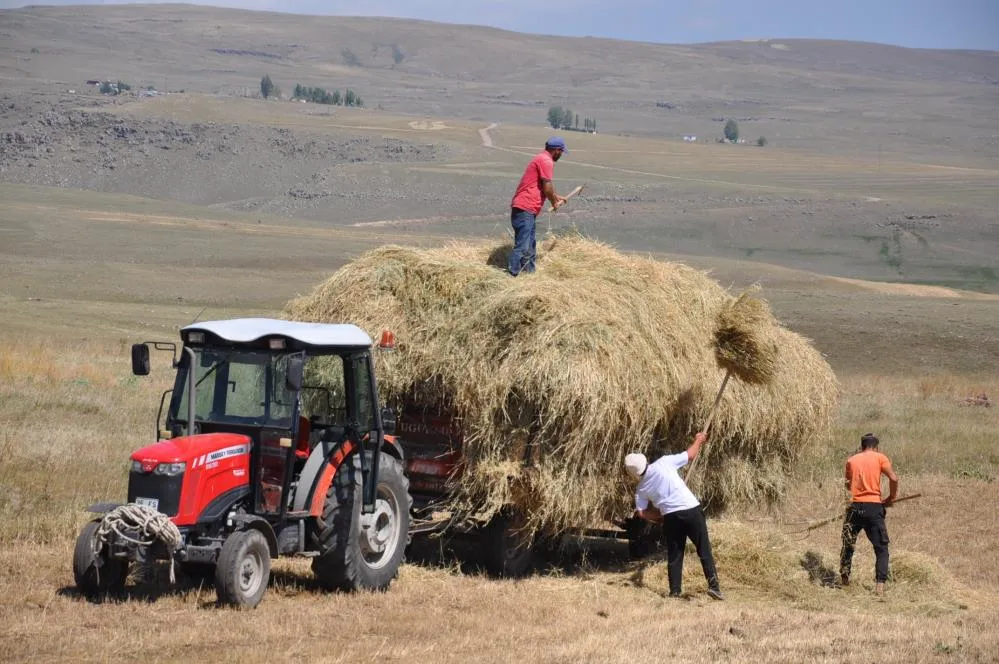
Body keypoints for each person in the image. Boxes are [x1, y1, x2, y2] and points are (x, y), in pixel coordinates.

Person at [624, 432, 724, 600]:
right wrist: (699, 440)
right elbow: (691, 454)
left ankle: (675, 592)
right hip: (690, 510)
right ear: (645, 461)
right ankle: (714, 587)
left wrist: (659, 515)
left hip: (670, 518)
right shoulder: (663, 463)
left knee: (675, 555)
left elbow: (641, 513)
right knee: (704, 549)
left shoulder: (640, 489)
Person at [839, 432, 899, 596]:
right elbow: (894, 478)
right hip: (874, 507)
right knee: (881, 548)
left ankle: (844, 578)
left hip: (854, 507)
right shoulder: (880, 458)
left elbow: (847, 485)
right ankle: (879, 585)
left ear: (862, 446)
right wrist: (891, 498)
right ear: (876, 446)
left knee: (848, 543)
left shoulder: (851, 460)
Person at [507, 137, 568, 276]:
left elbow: (540, 186)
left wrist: (557, 197)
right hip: (525, 208)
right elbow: (547, 188)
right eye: (561, 152)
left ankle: (530, 275)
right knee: (522, 245)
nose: (561, 155)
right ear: (557, 150)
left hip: (527, 209)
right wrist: (553, 202)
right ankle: (512, 275)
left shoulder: (541, 158)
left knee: (530, 244)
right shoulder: (546, 161)